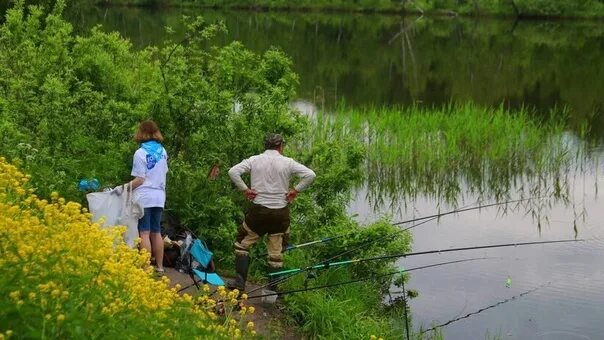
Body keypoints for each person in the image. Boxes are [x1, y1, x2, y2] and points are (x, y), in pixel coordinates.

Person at [227, 133, 316, 291]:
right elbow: (310, 175)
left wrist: (245, 190)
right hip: (280, 214)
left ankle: (239, 284)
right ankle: (271, 291)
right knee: (275, 253)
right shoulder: (288, 162)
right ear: (281, 146)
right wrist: (295, 190)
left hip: (258, 212)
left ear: (266, 145)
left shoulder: (254, 160)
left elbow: (233, 172)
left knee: (242, 245)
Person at [120, 120, 169, 273]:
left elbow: (140, 180)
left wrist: (124, 188)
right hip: (159, 196)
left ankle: (146, 267)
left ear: (141, 132)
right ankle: (160, 267)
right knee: (156, 232)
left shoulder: (140, 153)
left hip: (144, 197)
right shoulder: (163, 152)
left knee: (144, 232)